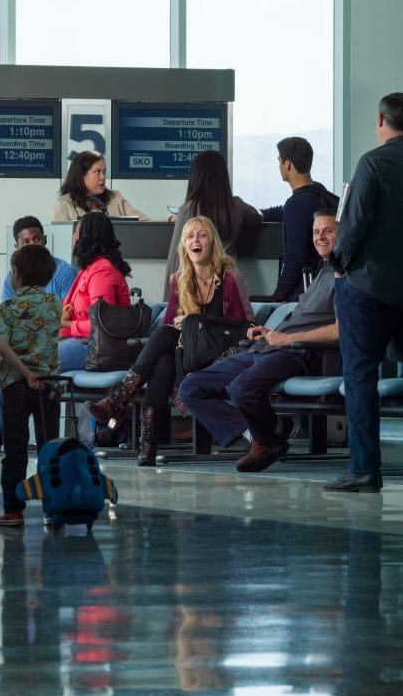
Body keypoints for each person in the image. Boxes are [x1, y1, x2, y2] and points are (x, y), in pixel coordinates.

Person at [325, 92, 403, 493]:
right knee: (369, 375)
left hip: (364, 287)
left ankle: (364, 468)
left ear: (380, 120)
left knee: (359, 376)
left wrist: (338, 264)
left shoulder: (372, 163)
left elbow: (353, 226)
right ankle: (366, 465)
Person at [178, 210, 339, 473]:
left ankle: (265, 439)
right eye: (316, 232)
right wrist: (269, 332)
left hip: (298, 352)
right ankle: (268, 433)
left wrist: (288, 338)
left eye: (328, 231)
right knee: (190, 387)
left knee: (240, 388)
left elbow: (340, 331)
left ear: (343, 235)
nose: (320, 237)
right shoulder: (322, 272)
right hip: (267, 347)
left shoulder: (343, 276)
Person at [86, 216, 255, 467]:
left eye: (202, 235)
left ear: (212, 243)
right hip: (186, 354)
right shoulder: (180, 279)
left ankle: (122, 406)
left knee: (165, 339)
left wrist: (196, 321)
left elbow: (245, 324)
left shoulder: (229, 277)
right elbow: (168, 324)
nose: (195, 241)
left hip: (220, 352)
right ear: (184, 246)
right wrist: (182, 324)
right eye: (189, 236)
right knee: (164, 357)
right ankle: (145, 439)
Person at [0, 215, 76, 452]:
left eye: (37, 239)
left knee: (6, 368)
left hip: (50, 343)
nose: (33, 245)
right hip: (19, 342)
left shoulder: (64, 272)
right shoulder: (12, 277)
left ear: (45, 241)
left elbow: (66, 322)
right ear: (17, 248)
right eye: (27, 242)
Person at [0, 244, 62, 527]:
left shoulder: (7, 308)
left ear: (15, 275)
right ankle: (54, 509)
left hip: (16, 387)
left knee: (15, 450)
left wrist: (24, 372)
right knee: (49, 448)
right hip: (50, 387)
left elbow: (2, 346)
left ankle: (13, 510)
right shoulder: (55, 304)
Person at [163, 150, 262, 299]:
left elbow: (176, 258)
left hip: (197, 287)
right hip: (228, 285)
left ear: (195, 178)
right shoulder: (236, 206)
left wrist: (167, 300)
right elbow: (256, 217)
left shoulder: (189, 209)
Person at [261, 136, 339, 302]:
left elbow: (294, 258)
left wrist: (279, 295)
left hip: (302, 294)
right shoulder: (323, 195)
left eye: (279, 161)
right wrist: (258, 213)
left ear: (287, 164)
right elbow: (284, 211)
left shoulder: (296, 205)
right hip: (325, 289)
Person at [58, 211, 132, 373]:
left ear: (84, 236)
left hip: (93, 347)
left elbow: (101, 324)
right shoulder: (89, 269)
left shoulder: (101, 272)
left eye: (76, 231)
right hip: (81, 341)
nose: (73, 237)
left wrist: (65, 323)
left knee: (26, 365)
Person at [53, 151, 148, 220]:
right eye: (97, 172)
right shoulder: (63, 204)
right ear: (81, 175)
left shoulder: (115, 198)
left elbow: (143, 222)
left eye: (104, 172)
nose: (102, 177)